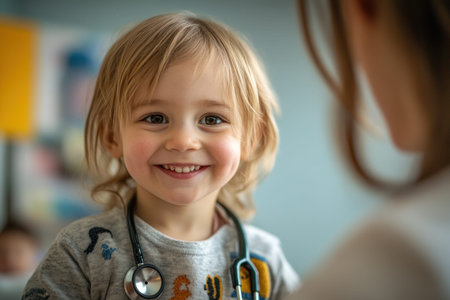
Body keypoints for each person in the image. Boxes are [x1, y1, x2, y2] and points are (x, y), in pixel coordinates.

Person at [22, 12, 299, 299]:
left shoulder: (265, 258)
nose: (183, 141)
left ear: (251, 138)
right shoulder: (80, 252)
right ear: (112, 136)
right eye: (155, 117)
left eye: (213, 119)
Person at [288, 0, 450, 299]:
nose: (184, 141)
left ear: (360, 7)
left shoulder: (401, 258)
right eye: (167, 118)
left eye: (211, 119)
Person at [0, 220, 39, 300]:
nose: (10, 258)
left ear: (34, 255)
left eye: (18, 252)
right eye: (2, 253)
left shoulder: (41, 283)